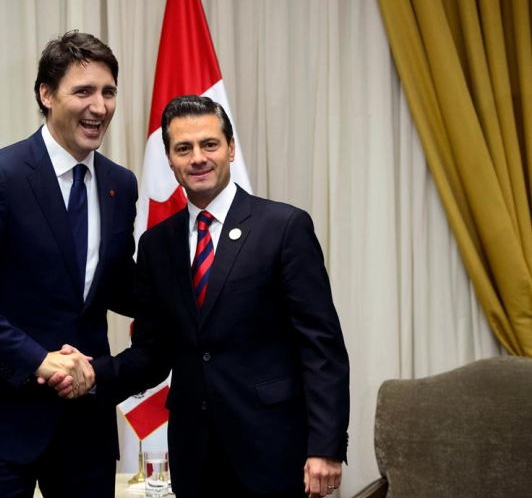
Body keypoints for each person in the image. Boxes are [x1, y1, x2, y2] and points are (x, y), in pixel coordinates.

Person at [56, 95, 350, 498]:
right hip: (196, 456)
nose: (198, 158)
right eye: (183, 148)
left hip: (274, 451)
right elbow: (153, 352)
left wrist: (326, 448)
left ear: (230, 148)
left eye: (209, 144)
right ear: (170, 159)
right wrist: (92, 375)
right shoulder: (158, 244)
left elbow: (322, 347)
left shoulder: (283, 228)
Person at [0, 31, 137, 498]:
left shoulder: (120, 186)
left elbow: (117, 286)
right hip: (0, 417)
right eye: (83, 91)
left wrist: (199, 272)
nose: (99, 106)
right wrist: (37, 360)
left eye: (108, 92)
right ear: (46, 94)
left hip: (85, 420)